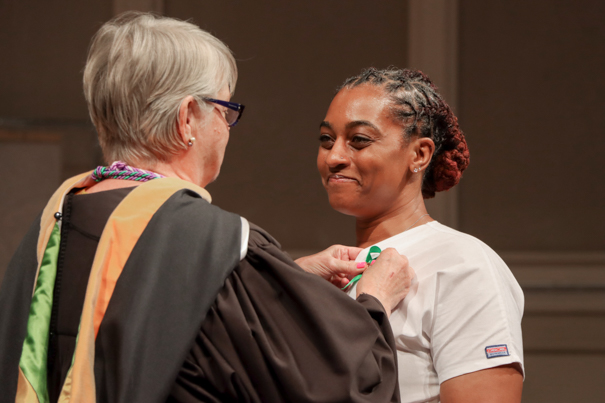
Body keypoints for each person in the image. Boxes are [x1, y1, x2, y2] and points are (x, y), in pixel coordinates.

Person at [0, 14, 415, 403]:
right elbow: (342, 384)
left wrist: (284, 278)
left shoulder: (56, 225)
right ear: (186, 120)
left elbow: (145, 317)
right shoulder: (206, 239)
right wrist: (373, 298)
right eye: (225, 110)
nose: (225, 129)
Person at [316, 67, 524, 403]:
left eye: (359, 140)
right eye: (327, 140)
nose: (335, 157)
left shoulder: (463, 265)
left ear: (419, 154)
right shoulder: (325, 273)